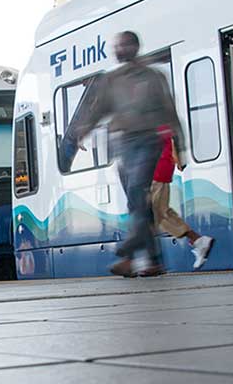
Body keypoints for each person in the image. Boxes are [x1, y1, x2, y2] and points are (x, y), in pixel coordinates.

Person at [61, 31, 187, 278]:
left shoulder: (153, 77)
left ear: (135, 47)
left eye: (124, 44)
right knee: (136, 201)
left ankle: (128, 250)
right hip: (123, 144)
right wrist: (82, 130)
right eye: (117, 45)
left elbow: (169, 110)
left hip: (147, 141)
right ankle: (151, 261)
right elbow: (99, 108)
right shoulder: (112, 80)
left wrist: (179, 145)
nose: (119, 49)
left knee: (139, 189)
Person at [151, 126, 214, 269]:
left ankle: (147, 260)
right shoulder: (153, 111)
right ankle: (197, 240)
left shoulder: (144, 111)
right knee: (159, 212)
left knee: (155, 213)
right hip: (159, 167)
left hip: (155, 168)